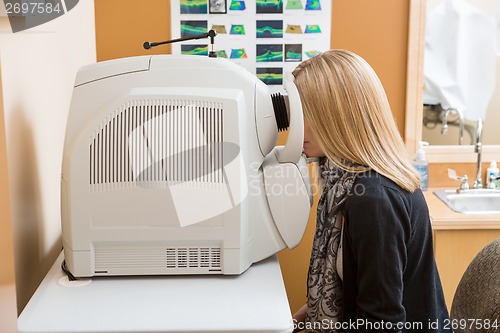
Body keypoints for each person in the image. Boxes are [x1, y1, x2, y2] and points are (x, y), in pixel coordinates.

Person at [291, 49, 451, 332]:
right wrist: (295, 320)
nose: (295, 126)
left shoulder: (374, 199)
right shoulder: (341, 180)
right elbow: (345, 287)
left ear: (337, 117)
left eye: (305, 114)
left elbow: (381, 323)